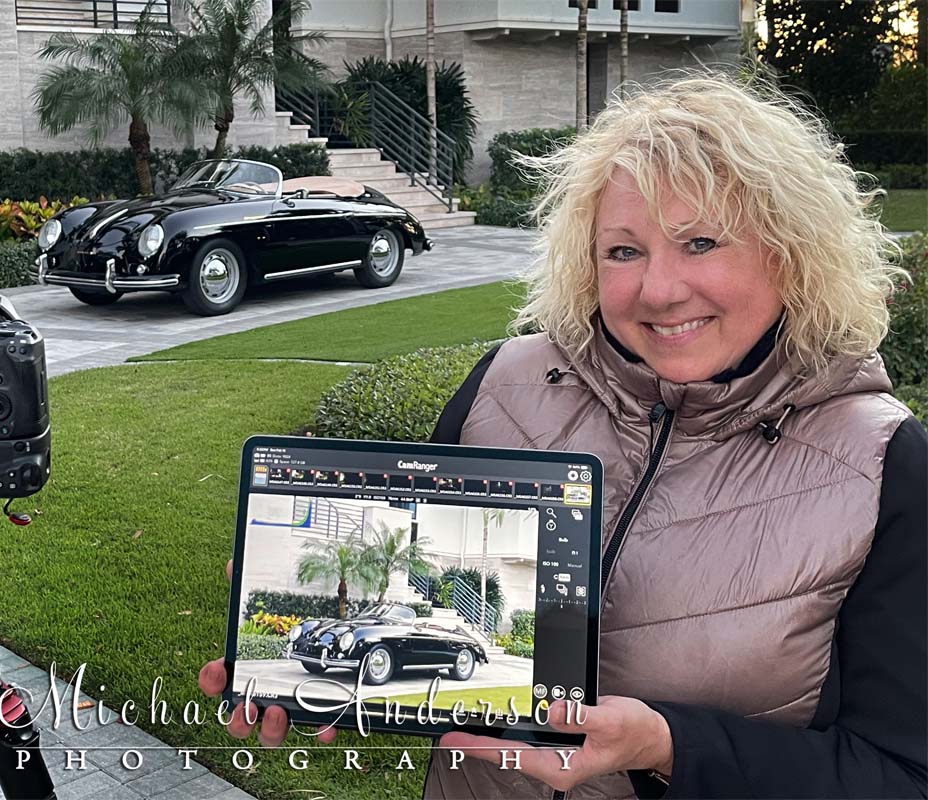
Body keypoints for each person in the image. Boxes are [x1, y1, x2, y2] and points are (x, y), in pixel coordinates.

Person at [199, 70, 928, 799]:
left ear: (790, 250)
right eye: (624, 251)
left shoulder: (879, 464)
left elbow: (900, 773)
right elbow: (425, 573)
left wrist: (672, 749)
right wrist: (318, 619)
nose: (660, 289)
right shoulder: (504, 384)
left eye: (702, 241)